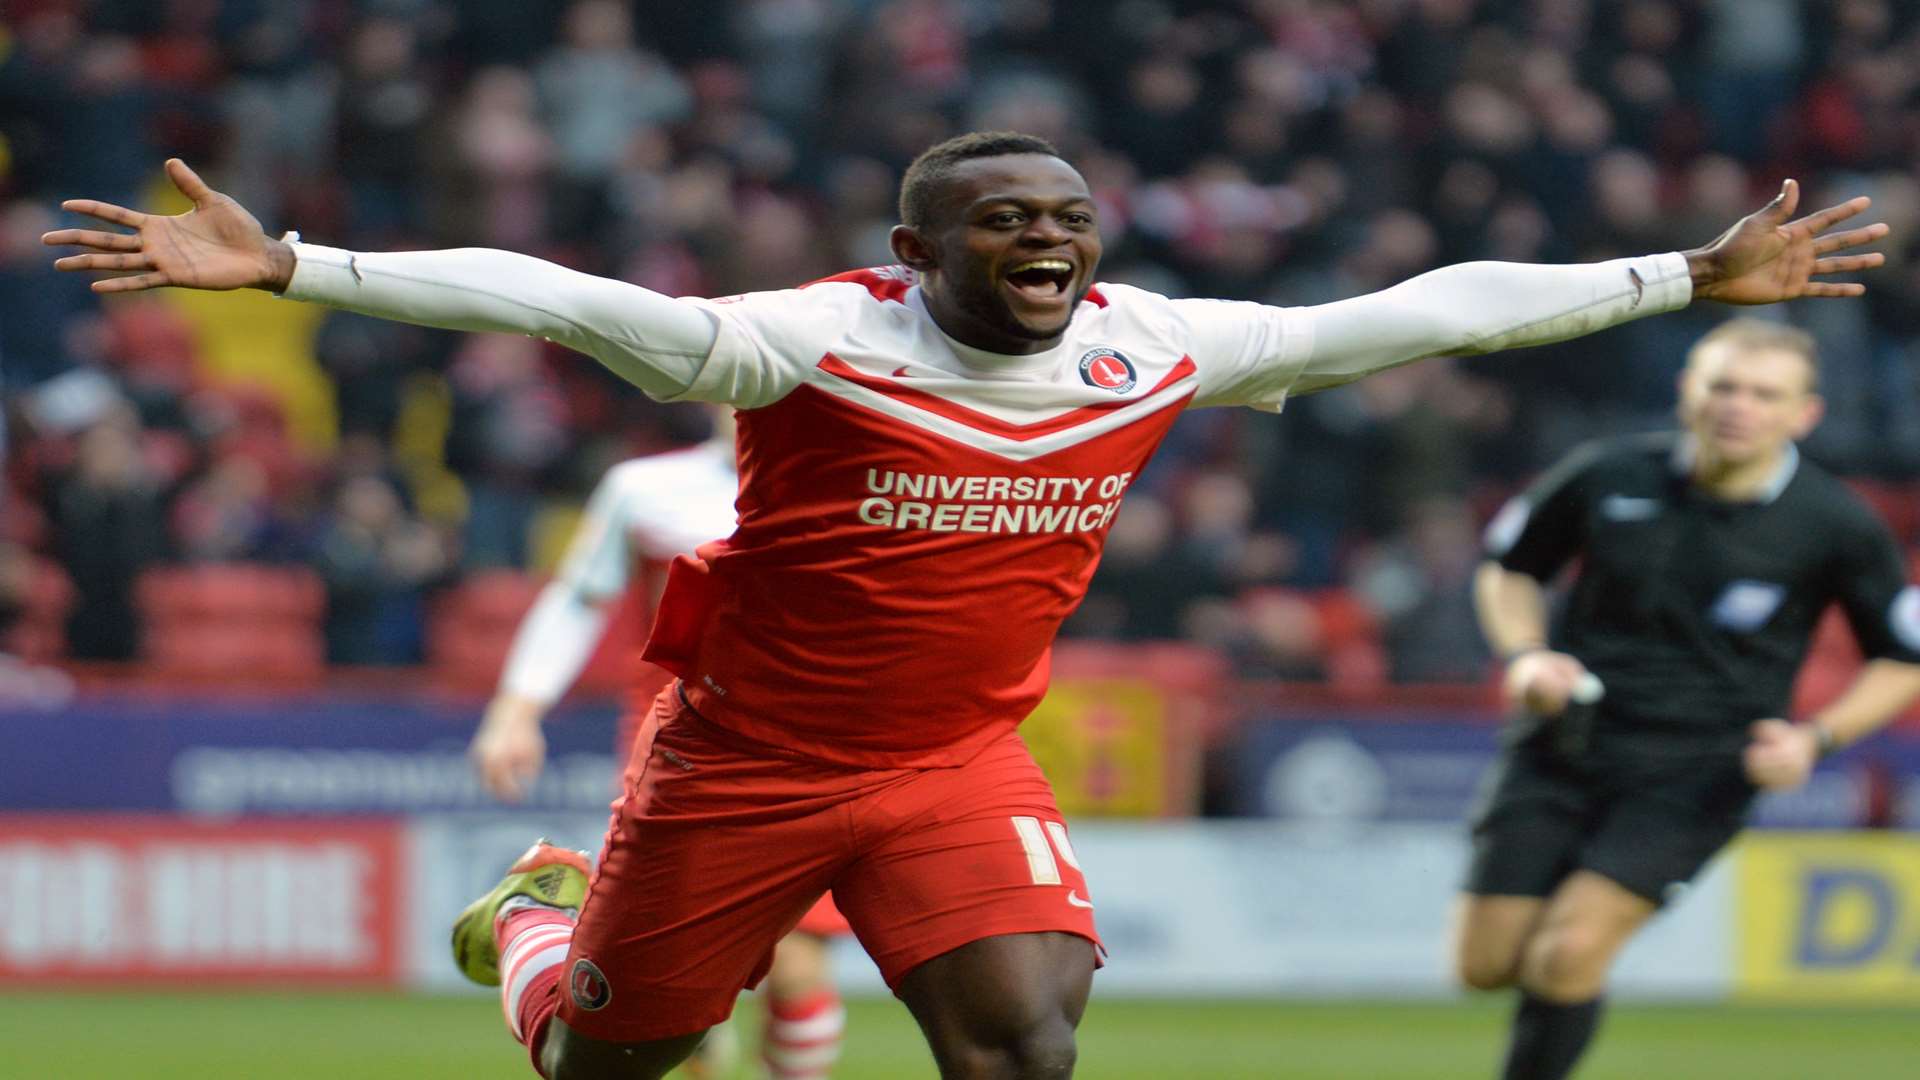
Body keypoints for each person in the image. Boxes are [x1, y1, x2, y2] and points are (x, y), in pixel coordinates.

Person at [47, 133, 1885, 1080]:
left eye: (1071, 221)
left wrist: (1677, 276)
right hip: (742, 762)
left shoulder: (1151, 347)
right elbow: (549, 298)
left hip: (949, 758)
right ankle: (537, 921)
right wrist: (295, 267)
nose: (1051, 246)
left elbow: (1419, 311)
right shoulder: (801, 344)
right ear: (920, 251)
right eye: (1007, 225)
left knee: (1028, 1036)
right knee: (609, 1059)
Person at [1458, 317, 1920, 1080]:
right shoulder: (1605, 474)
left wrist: (1814, 740)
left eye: (1764, 394)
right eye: (1723, 385)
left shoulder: (1836, 525)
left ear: (1803, 414)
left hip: (1697, 767)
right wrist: (1528, 655)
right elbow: (1508, 570)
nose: (1739, 405)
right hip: (1561, 741)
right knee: (1486, 964)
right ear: (1687, 392)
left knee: (1569, 951)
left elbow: (1903, 660)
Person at [468, 408, 850, 1080]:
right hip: (675, 743)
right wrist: (516, 708)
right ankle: (540, 925)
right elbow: (579, 598)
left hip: (806, 743)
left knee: (797, 962)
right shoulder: (646, 489)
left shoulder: (849, 482)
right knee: (675, 972)